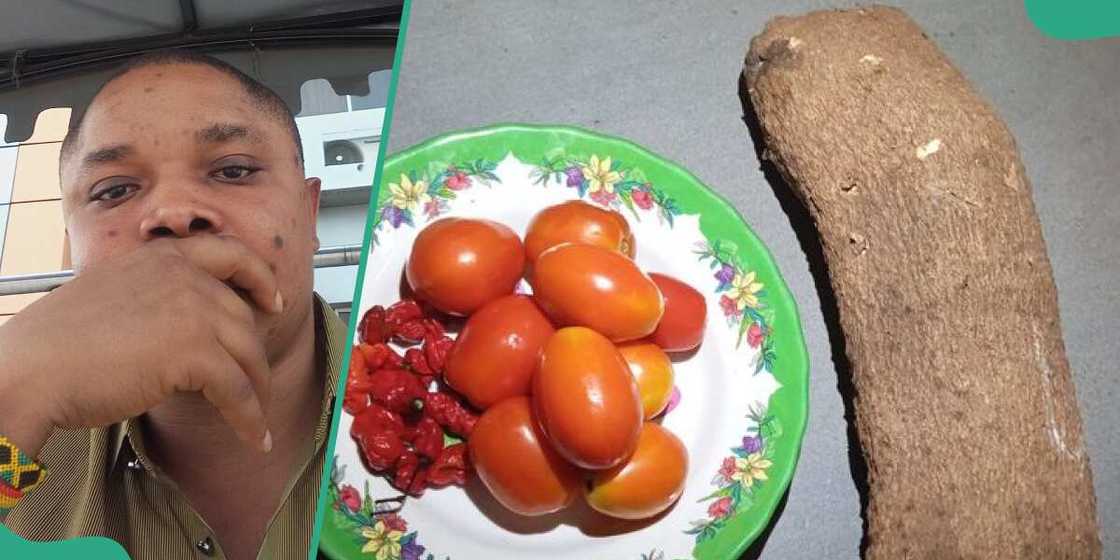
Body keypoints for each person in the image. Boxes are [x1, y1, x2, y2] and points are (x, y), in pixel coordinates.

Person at [0, 51, 348, 560]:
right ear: (72, 246)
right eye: (115, 190)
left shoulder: (428, 381)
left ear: (309, 211)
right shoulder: (20, 438)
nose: (175, 215)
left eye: (232, 171)